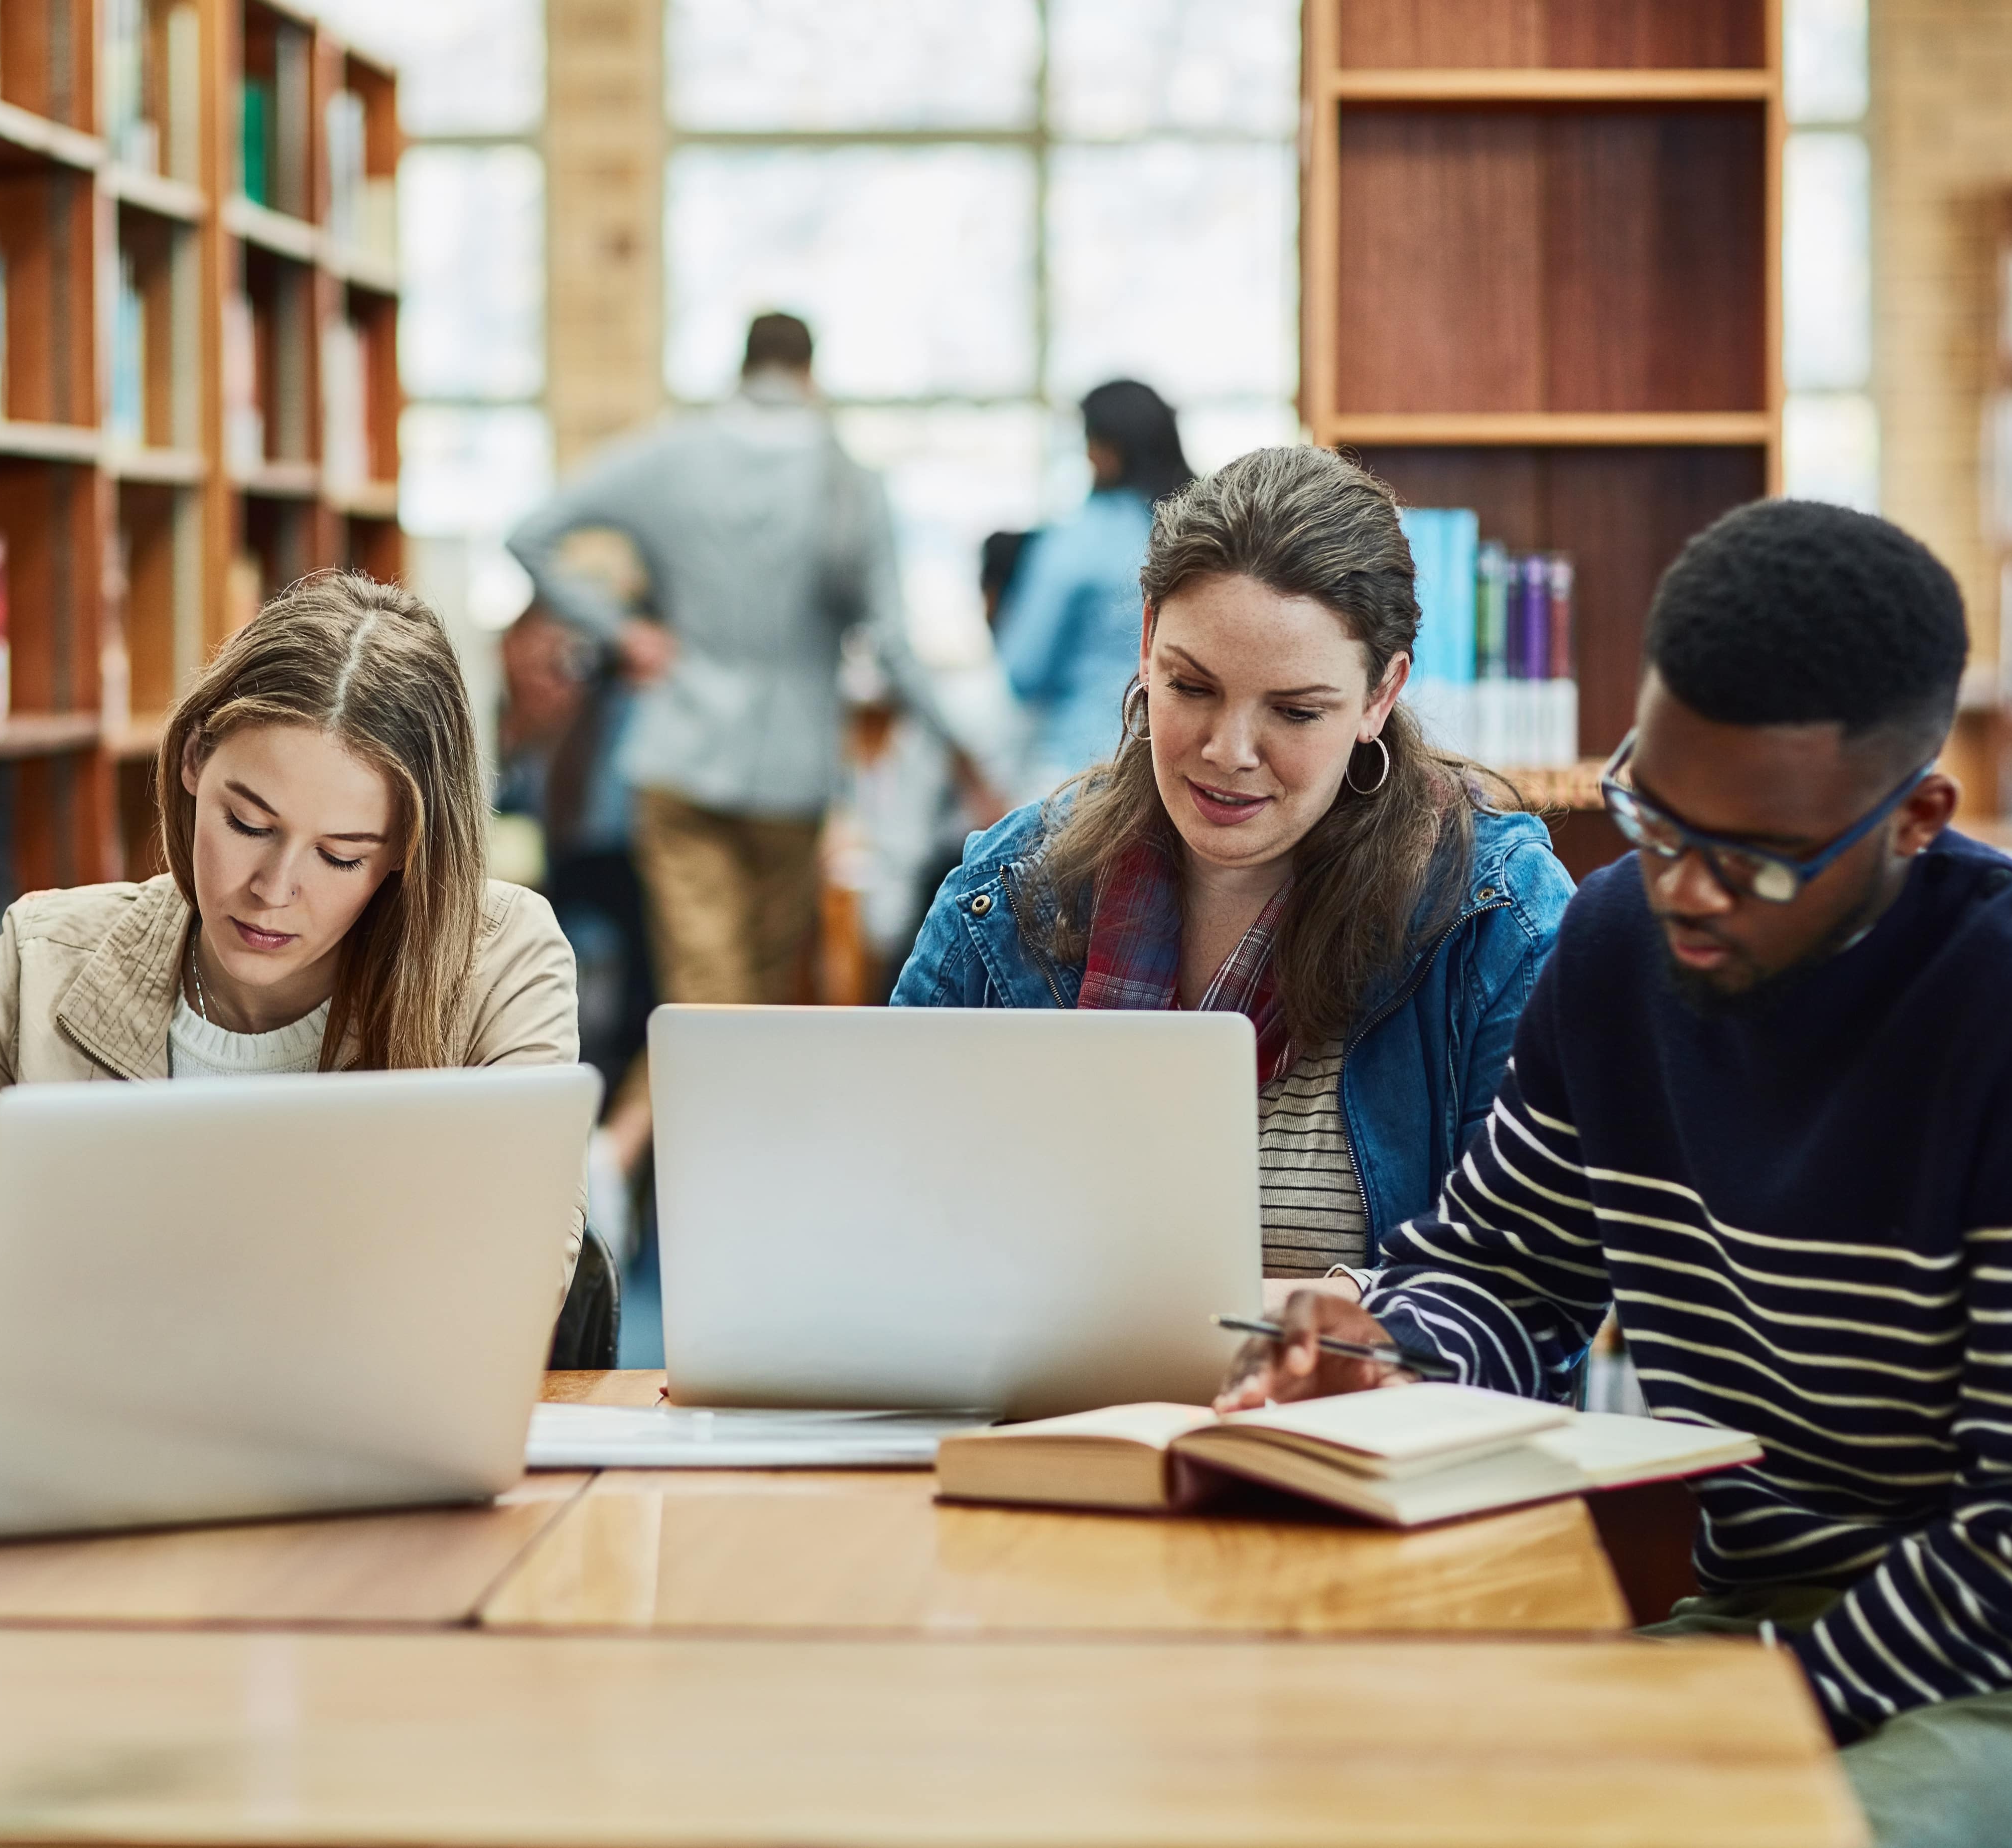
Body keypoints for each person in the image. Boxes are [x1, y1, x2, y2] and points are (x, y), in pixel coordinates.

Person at [1223, 499, 2012, 1848]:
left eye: (1753, 858)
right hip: (1743, 1615)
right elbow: (1504, 1269)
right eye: (1651, 816)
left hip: (2009, 1669)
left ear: (1916, 818)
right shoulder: (1618, 948)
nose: (1682, 889)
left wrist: (1764, 1699)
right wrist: (1389, 1340)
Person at [0, 572, 582, 1348]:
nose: (273, 890)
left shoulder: (497, 962)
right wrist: (53, 1344)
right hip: (95, 1444)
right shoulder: (46, 957)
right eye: (248, 823)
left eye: (339, 855)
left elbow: (520, 1275)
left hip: (364, 1454)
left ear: (403, 852)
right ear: (194, 761)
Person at [892, 447, 1574, 1282]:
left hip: (1347, 1414)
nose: (1228, 752)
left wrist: (1353, 1334)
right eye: (1191, 688)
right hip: (1051, 1414)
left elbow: (1524, 1299)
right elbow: (896, 1225)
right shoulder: (1006, 893)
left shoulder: (1497, 922)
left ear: (1378, 695)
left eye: (1292, 711)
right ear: (1146, 642)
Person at [506, 311, 1015, 1014]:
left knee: (704, 990)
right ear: (809, 374)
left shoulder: (670, 455)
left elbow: (530, 534)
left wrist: (624, 634)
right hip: (793, 775)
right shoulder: (847, 478)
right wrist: (963, 751)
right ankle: (699, 1120)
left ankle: (677, 1121)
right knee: (762, 995)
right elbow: (892, 644)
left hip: (679, 755)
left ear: (741, 369)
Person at [997, 379, 1192, 795]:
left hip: (1078, 777)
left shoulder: (1079, 540)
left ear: (1106, 451)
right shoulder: (1204, 537)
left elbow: (1024, 671)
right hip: (1178, 776)